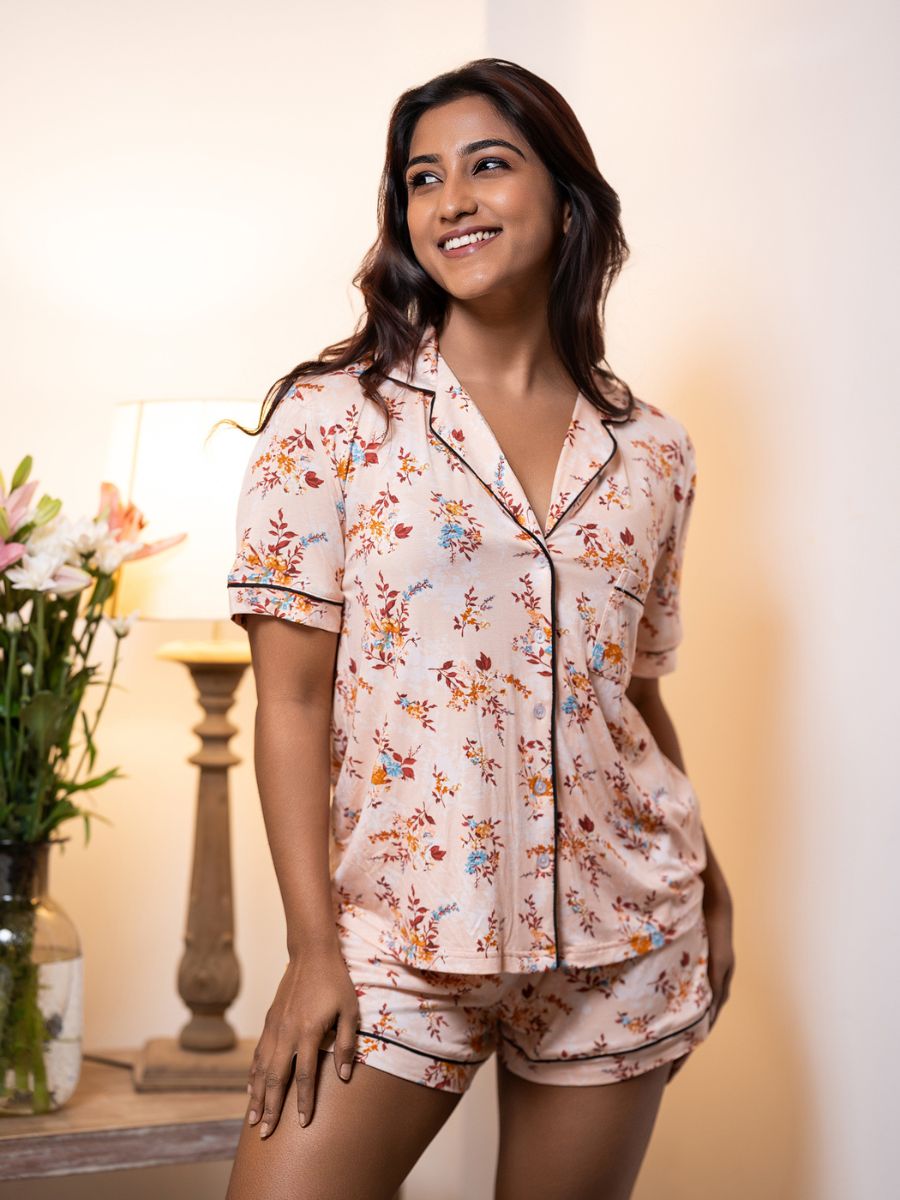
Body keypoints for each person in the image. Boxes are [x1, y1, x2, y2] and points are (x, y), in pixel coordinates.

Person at [222, 57, 735, 1200]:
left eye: (488, 165)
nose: (450, 198)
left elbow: (631, 692)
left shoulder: (653, 448)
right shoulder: (333, 419)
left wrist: (713, 882)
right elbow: (292, 702)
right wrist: (314, 952)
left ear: (566, 200)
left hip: (624, 934)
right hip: (401, 936)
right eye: (422, 177)